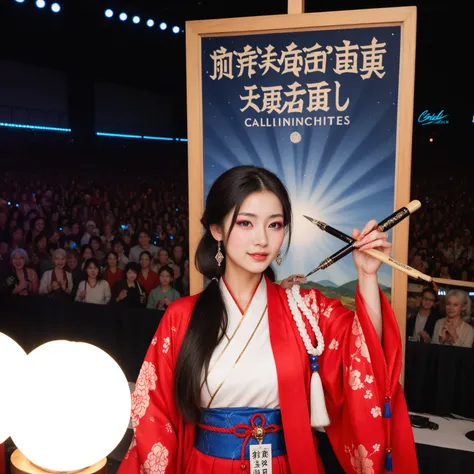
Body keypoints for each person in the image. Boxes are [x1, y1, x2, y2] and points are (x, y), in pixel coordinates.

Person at [118, 166, 418, 474]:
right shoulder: (182, 316)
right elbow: (155, 415)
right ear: (217, 229)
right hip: (208, 466)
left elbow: (365, 355)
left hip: (286, 464)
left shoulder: (305, 311)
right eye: (246, 222)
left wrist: (368, 275)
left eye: (274, 225)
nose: (262, 239)